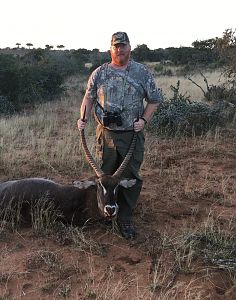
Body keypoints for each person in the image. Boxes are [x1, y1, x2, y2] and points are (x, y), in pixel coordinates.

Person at [77, 32, 162, 239]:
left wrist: (144, 120)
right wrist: (83, 119)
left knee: (130, 177)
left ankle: (125, 218)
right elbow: (88, 99)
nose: (119, 49)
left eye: (123, 46)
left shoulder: (142, 72)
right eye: (116, 46)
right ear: (110, 49)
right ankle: (105, 213)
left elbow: (154, 100)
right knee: (105, 177)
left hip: (132, 136)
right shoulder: (99, 73)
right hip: (105, 134)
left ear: (129, 48)